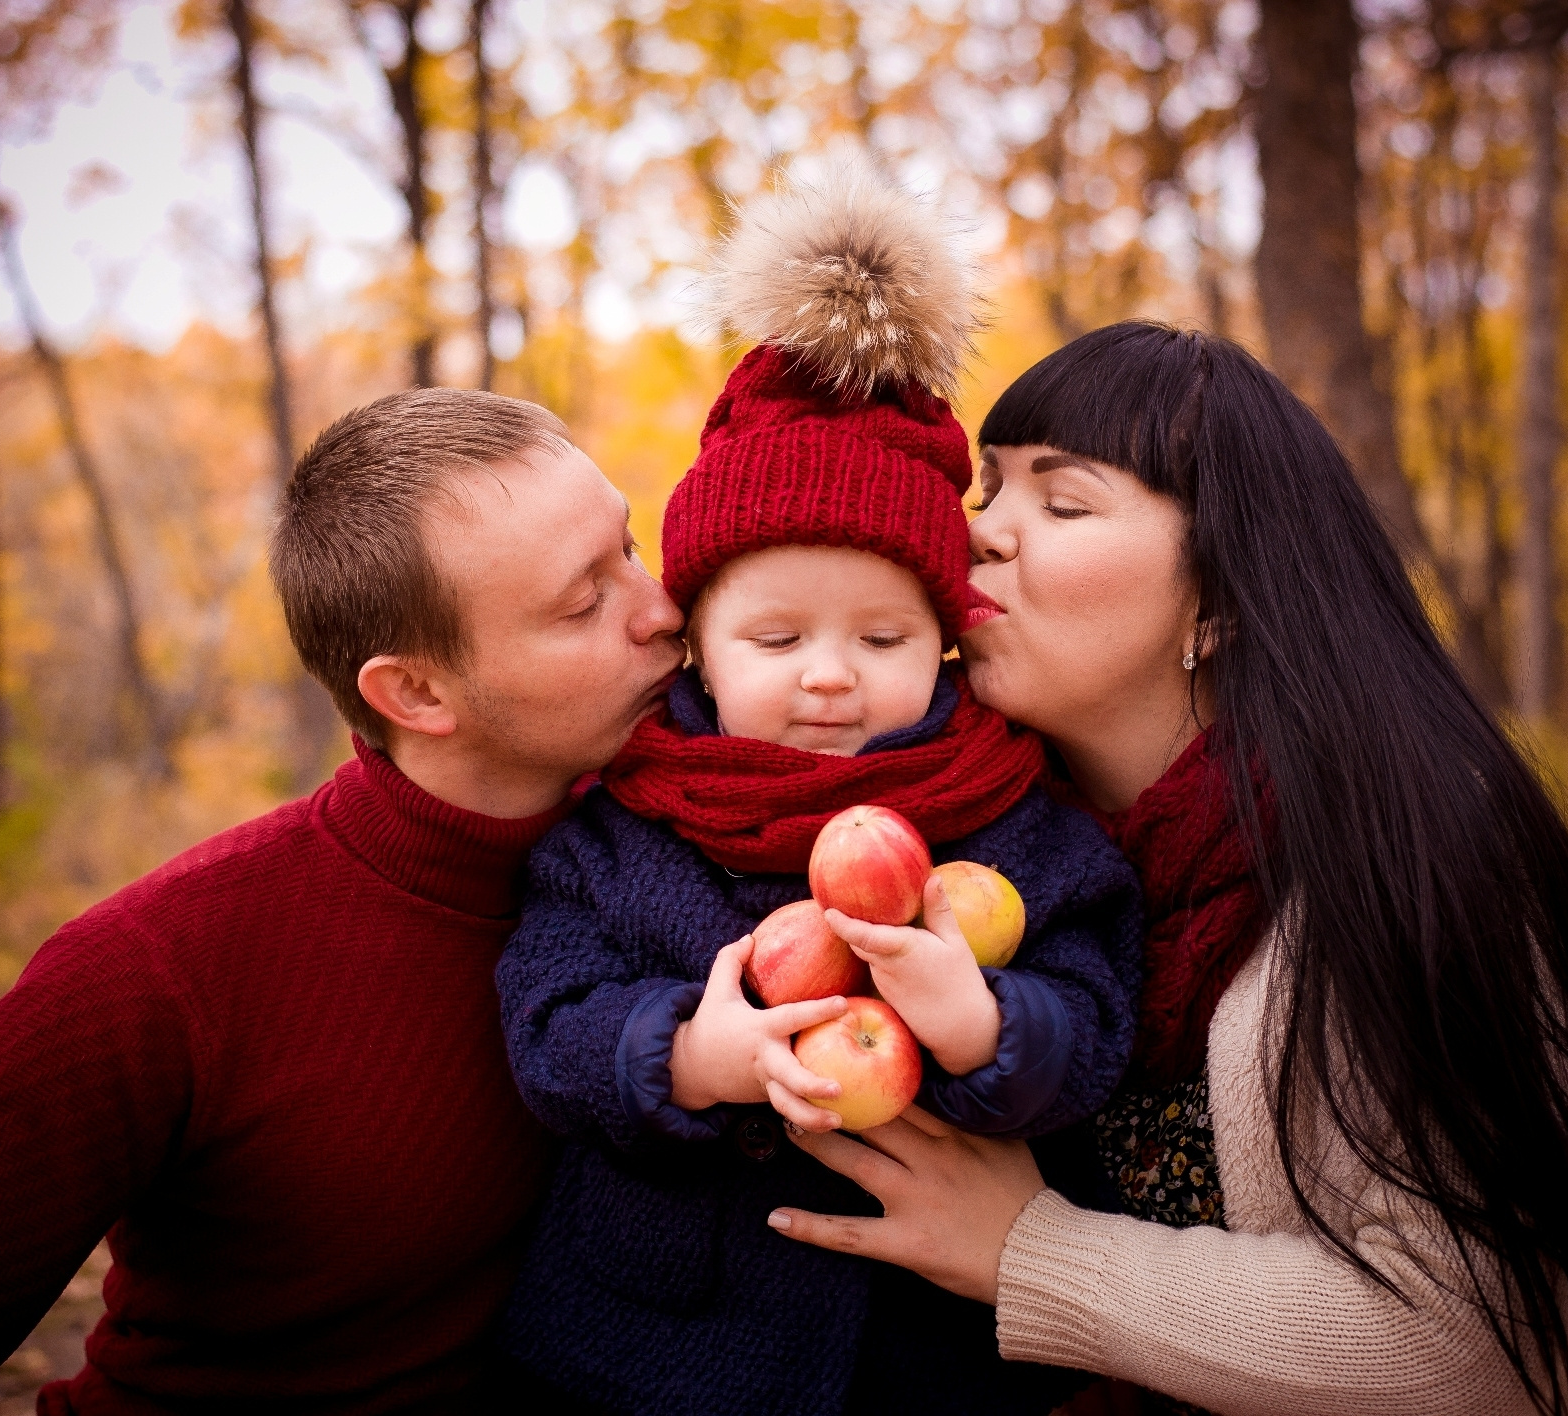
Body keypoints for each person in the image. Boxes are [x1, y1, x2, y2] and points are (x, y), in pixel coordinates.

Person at [766, 322, 1568, 1415]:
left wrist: (1033, 1253)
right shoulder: (1003, 859)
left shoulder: (1405, 849)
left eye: (1061, 503)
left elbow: (1482, 1343)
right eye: (986, 493)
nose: (980, 536)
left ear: (1214, 603)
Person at [0, 388, 686, 1414]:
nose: (661, 610)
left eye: (630, 549)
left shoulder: (684, 870)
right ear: (415, 694)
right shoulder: (157, 970)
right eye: (581, 602)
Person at [490, 170, 1143, 1416]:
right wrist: (688, 1054)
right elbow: (543, 1021)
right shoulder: (624, 824)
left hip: (921, 1369)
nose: (831, 679)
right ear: (697, 645)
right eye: (778, 642)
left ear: (945, 643)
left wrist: (981, 1026)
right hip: (641, 1357)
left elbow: (1095, 1017)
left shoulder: (1013, 816)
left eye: (883, 641)